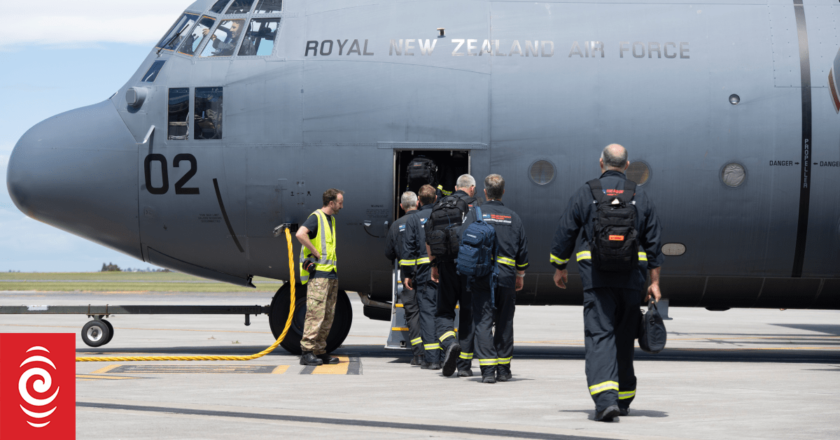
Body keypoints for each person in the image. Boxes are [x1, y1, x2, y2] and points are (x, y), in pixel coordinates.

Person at [550, 144, 663, 422]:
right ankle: (624, 399)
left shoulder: (586, 192)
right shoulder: (639, 195)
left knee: (600, 336)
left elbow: (566, 231)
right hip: (631, 279)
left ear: (601, 163)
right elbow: (654, 242)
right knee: (625, 338)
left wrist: (559, 266)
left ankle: (606, 402)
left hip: (597, 277)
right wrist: (655, 283)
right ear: (626, 165)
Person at [461, 174, 529, 383]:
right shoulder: (513, 217)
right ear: (503, 192)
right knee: (505, 322)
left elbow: (463, 239)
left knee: (482, 322)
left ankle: (488, 371)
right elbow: (522, 251)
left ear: (485, 192)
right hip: (507, 278)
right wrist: (520, 275)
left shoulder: (476, 214)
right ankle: (504, 369)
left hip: (482, 277)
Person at [425, 174, 480, 377]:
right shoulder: (474, 205)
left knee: (444, 312)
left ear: (456, 187)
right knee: (467, 315)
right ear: (472, 188)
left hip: (445, 265)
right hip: (468, 267)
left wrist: (434, 265)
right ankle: (464, 367)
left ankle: (449, 343)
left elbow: (428, 238)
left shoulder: (439, 205)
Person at [296, 188, 345, 366]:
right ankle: (306, 351)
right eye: (340, 202)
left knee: (328, 314)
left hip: (330, 274)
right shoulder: (316, 217)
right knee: (315, 314)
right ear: (331, 203)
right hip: (319, 276)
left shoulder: (330, 220)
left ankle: (319, 350)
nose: (342, 205)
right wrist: (314, 251)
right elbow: (300, 234)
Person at [401, 185, 438, 368]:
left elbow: (408, 250)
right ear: (436, 198)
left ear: (418, 202)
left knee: (427, 314)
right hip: (444, 271)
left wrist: (407, 275)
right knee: (444, 313)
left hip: (424, 273)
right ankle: (447, 349)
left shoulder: (414, 219)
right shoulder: (442, 215)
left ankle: (432, 360)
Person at [385, 191, 424, 365]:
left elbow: (388, 253)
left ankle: (418, 354)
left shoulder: (396, 225)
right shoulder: (426, 220)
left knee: (413, 314)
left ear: (401, 206)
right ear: (418, 203)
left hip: (408, 276)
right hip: (428, 273)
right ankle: (434, 351)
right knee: (430, 312)